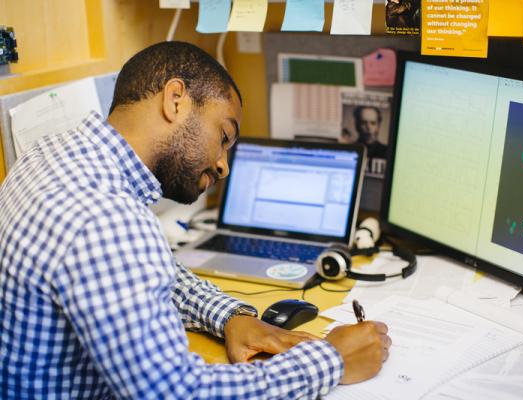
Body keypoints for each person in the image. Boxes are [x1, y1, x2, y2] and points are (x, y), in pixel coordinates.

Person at [0, 42, 391, 399]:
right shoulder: (107, 217)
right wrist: (332, 359)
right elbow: (178, 392)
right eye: (224, 136)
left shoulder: (53, 155)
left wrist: (229, 317)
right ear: (175, 100)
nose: (222, 165)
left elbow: (143, 272)